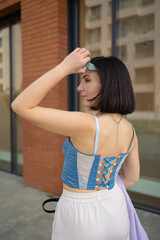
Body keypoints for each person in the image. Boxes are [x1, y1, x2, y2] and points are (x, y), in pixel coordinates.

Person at [11, 48, 148, 240]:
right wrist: (102, 189)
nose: (79, 87)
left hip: (79, 215)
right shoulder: (130, 130)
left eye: (87, 80)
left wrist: (64, 67)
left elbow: (20, 105)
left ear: (107, 84)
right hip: (116, 208)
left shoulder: (86, 124)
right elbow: (132, 178)